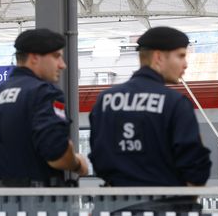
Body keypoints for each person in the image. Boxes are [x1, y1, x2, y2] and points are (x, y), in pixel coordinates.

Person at [88, 26, 211, 213]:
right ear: (158, 57)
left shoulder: (105, 100)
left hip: (114, 207)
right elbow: (195, 163)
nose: (185, 64)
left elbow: (98, 155)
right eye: (180, 56)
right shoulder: (175, 103)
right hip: (165, 206)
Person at [0, 28, 88, 214]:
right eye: (56, 56)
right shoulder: (44, 93)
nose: (62, 64)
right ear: (34, 58)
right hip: (35, 205)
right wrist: (78, 164)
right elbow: (56, 153)